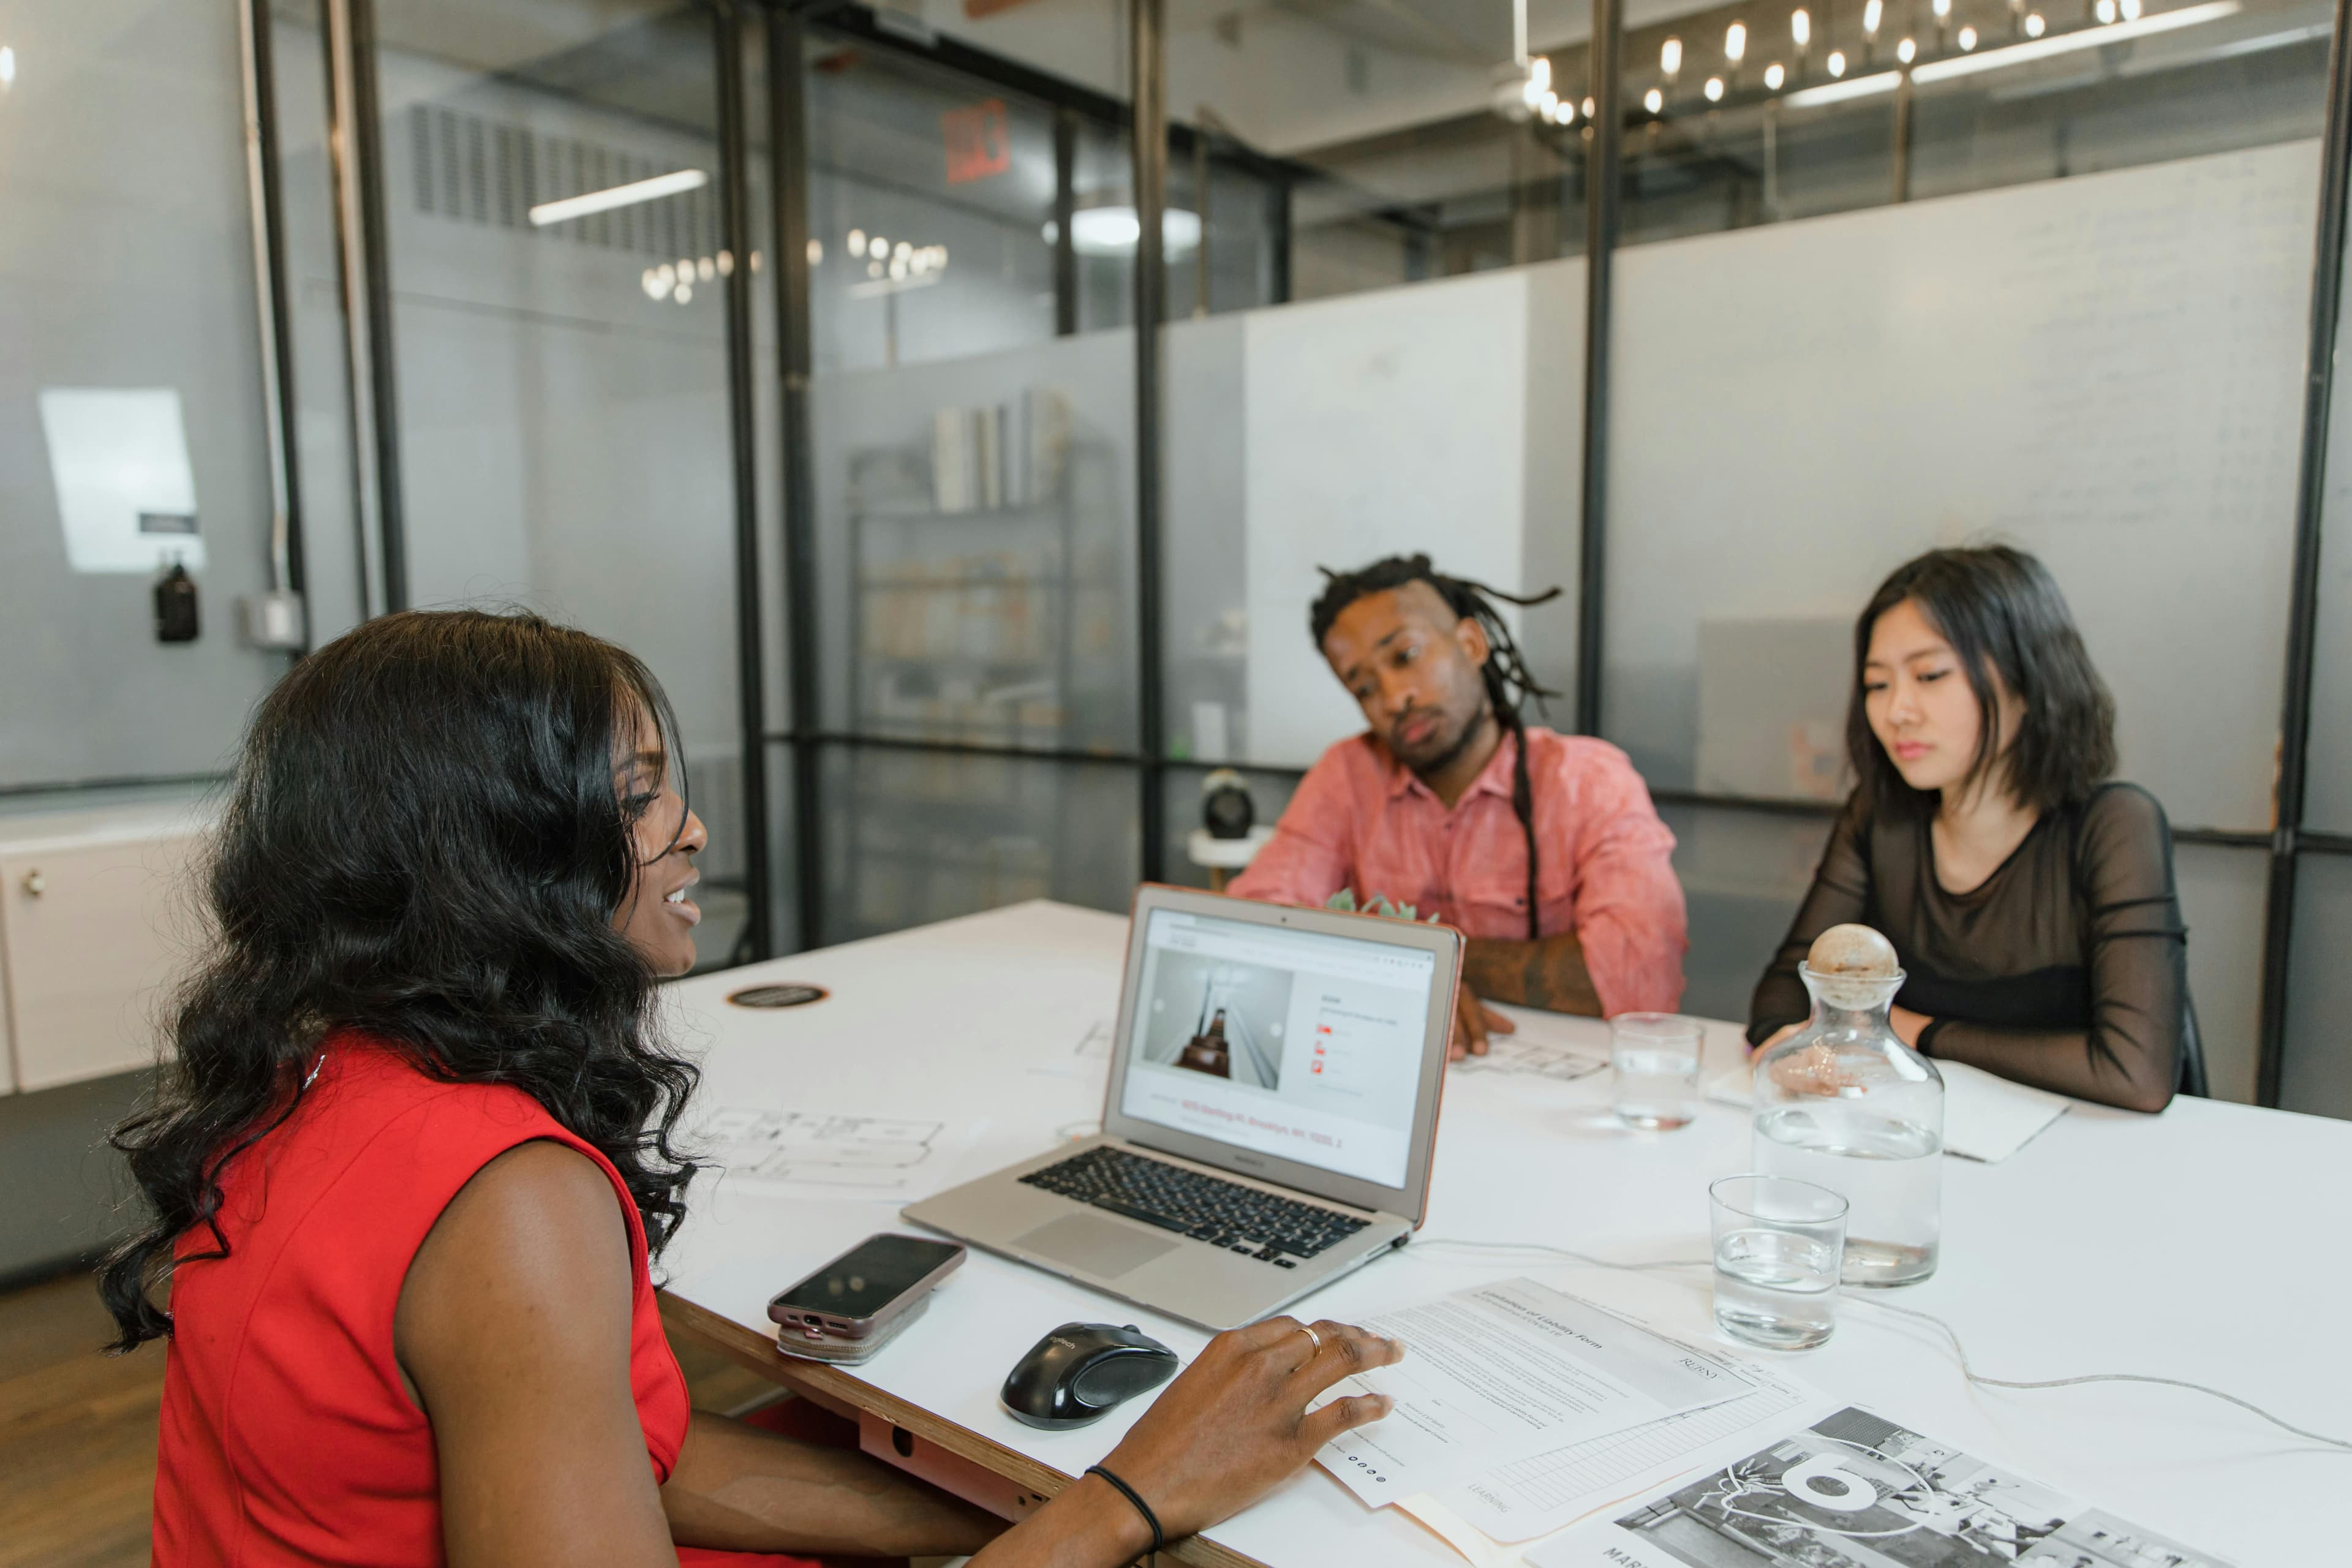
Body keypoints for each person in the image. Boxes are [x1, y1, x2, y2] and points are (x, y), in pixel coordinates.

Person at [101, 609, 1404, 1567]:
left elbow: (631, 1450)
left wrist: (1016, 1506)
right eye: (638, 797)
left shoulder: (313, 1078)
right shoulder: (507, 1201)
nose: (692, 829)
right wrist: (1128, 1502)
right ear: (501, 860)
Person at [1747, 546, 2191, 1113]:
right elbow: (1786, 991)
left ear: (2025, 681)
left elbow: (2136, 1074)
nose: (1897, 710)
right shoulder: (1881, 820)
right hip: (1919, 1132)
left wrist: (1913, 1032)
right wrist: (1795, 1047)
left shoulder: (2114, 826)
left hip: (2093, 1147)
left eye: (1930, 675)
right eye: (1878, 684)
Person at [1229, 554, 1687, 1057]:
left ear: (1471, 644)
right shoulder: (1347, 775)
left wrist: (1416, 967)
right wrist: (1406, 978)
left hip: (1558, 1076)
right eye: (1363, 686)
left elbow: (1639, 976)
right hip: (1392, 1063)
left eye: (1406, 656)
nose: (1394, 698)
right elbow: (1254, 926)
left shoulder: (1588, 780)